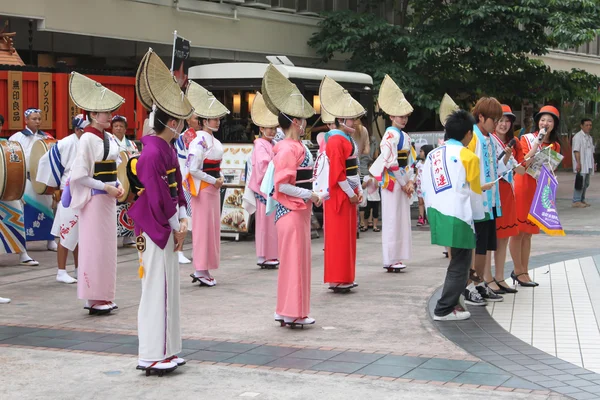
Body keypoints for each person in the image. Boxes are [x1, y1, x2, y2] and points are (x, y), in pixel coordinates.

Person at [128, 48, 192, 376]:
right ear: (171, 121)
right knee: (155, 288)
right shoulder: (152, 152)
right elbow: (157, 198)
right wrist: (176, 223)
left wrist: (184, 219)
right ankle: (151, 353)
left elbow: (177, 187)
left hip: (165, 226)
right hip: (153, 227)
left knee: (166, 288)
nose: (182, 122)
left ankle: (167, 348)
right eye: (179, 117)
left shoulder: (165, 148)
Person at [261, 64, 320, 327]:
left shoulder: (294, 145)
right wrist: (311, 194)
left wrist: (310, 195)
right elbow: (282, 185)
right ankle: (292, 312)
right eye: (303, 118)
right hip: (292, 209)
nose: (306, 122)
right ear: (295, 121)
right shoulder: (287, 148)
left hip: (299, 209)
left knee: (297, 262)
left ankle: (289, 310)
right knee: (294, 262)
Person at [67, 72, 125, 314]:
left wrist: (118, 184)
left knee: (107, 247)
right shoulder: (87, 140)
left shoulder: (109, 137)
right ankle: (93, 297)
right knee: (94, 246)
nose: (109, 116)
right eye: (105, 113)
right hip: (94, 198)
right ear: (92, 115)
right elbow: (79, 175)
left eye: (110, 113)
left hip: (108, 196)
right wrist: (106, 187)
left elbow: (116, 165)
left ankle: (104, 295)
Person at [424, 110, 488, 321]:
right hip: (459, 215)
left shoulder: (433, 154)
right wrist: (479, 217)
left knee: (456, 261)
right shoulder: (469, 156)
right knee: (460, 263)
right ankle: (443, 308)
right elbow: (476, 193)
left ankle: (452, 304)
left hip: (436, 211)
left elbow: (424, 186)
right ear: (469, 134)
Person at [320, 76, 365, 292]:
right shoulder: (336, 140)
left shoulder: (345, 138)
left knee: (347, 236)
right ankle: (337, 278)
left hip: (349, 191)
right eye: (351, 119)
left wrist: (359, 188)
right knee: (339, 237)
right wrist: (351, 192)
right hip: (340, 193)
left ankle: (345, 276)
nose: (354, 122)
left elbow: (353, 166)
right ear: (340, 119)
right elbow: (338, 174)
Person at [510, 105, 562, 287]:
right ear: (537, 122)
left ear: (555, 124)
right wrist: (536, 144)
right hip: (523, 186)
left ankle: (524, 270)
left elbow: (550, 168)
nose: (545, 123)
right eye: (542, 119)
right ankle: (517, 270)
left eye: (549, 120)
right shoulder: (526, 139)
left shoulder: (555, 145)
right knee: (518, 232)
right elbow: (524, 162)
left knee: (529, 234)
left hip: (539, 190)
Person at [462, 97, 505, 306]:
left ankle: (479, 282)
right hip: (477, 200)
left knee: (486, 245)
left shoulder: (489, 137)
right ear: (481, 117)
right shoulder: (473, 137)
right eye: (494, 120)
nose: (497, 125)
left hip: (491, 200)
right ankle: (470, 284)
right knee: (476, 245)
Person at [370, 75, 416, 272]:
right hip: (392, 182)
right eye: (400, 116)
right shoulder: (390, 135)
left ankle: (398, 256)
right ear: (391, 116)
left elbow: (412, 160)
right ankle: (390, 258)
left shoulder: (404, 135)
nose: (403, 119)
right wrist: (405, 181)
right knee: (391, 219)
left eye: (405, 116)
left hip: (402, 180)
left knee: (401, 219)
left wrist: (411, 181)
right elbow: (390, 162)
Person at [185, 82, 229, 287]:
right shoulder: (198, 141)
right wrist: (214, 180)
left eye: (218, 118)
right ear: (203, 120)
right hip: (203, 189)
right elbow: (193, 168)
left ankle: (205, 268)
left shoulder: (212, 140)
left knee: (211, 229)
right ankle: (200, 269)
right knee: (203, 229)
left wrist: (218, 179)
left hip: (212, 187)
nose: (217, 121)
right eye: (213, 118)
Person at [36, 115, 88, 284]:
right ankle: (61, 271)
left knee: (80, 234)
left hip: (84, 191)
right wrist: (55, 186)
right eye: (83, 130)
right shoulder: (65, 143)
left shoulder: (90, 142)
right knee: (66, 231)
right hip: (68, 191)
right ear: (76, 129)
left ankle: (79, 269)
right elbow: (47, 161)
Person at [486, 105, 524, 295]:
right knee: (490, 237)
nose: (504, 124)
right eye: (500, 120)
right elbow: (494, 167)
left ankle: (500, 276)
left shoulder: (511, 143)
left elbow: (520, 169)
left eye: (507, 121)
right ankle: (487, 277)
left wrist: (529, 157)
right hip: (493, 192)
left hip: (507, 192)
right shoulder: (488, 140)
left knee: (504, 237)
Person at [9, 108, 57, 252]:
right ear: (26, 120)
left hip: (41, 178)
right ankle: (24, 242)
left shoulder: (46, 137)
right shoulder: (17, 137)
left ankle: (50, 240)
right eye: (33, 119)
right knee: (25, 210)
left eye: (38, 119)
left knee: (48, 208)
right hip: (26, 177)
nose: (37, 121)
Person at [0, 114, 38, 268]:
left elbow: (14, 168)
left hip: (5, 189)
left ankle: (23, 254)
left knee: (16, 217)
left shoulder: (5, 145)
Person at [248, 92, 279, 268]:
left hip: (271, 186)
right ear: (261, 128)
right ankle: (264, 255)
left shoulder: (271, 144)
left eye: (274, 128)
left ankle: (269, 254)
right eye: (269, 128)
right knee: (265, 223)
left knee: (270, 222)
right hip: (264, 187)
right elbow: (263, 165)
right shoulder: (260, 144)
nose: (272, 131)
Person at [173, 113, 200, 264]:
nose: (198, 122)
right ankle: (179, 250)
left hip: (198, 181)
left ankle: (198, 250)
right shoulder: (186, 136)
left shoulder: (200, 135)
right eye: (196, 118)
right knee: (183, 217)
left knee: (197, 219)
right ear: (188, 120)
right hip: (186, 181)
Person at [111, 115, 138, 247]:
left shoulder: (131, 144)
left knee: (129, 205)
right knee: (116, 206)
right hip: (116, 176)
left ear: (125, 129)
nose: (118, 128)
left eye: (121, 126)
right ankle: (114, 237)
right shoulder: (110, 141)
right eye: (116, 126)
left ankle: (128, 238)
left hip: (129, 177)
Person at [572, 118, 594, 208]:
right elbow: (576, 150)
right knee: (580, 182)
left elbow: (591, 151)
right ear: (581, 126)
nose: (589, 127)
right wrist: (578, 163)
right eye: (586, 125)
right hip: (581, 163)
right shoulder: (578, 137)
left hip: (588, 163)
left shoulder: (589, 137)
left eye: (590, 125)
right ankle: (576, 200)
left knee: (586, 183)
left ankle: (582, 199)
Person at [415, 144, 434, 227]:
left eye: (421, 151)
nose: (420, 153)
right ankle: (421, 217)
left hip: (428, 186)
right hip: (419, 186)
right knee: (420, 202)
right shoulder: (418, 163)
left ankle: (429, 217)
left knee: (428, 201)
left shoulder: (431, 163)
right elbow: (416, 174)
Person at [360, 161, 381, 232]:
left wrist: (375, 181)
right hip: (368, 198)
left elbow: (378, 186)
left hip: (376, 198)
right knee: (367, 212)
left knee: (375, 212)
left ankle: (375, 226)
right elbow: (362, 187)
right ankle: (365, 225)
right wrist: (366, 183)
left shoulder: (378, 177)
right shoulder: (366, 177)